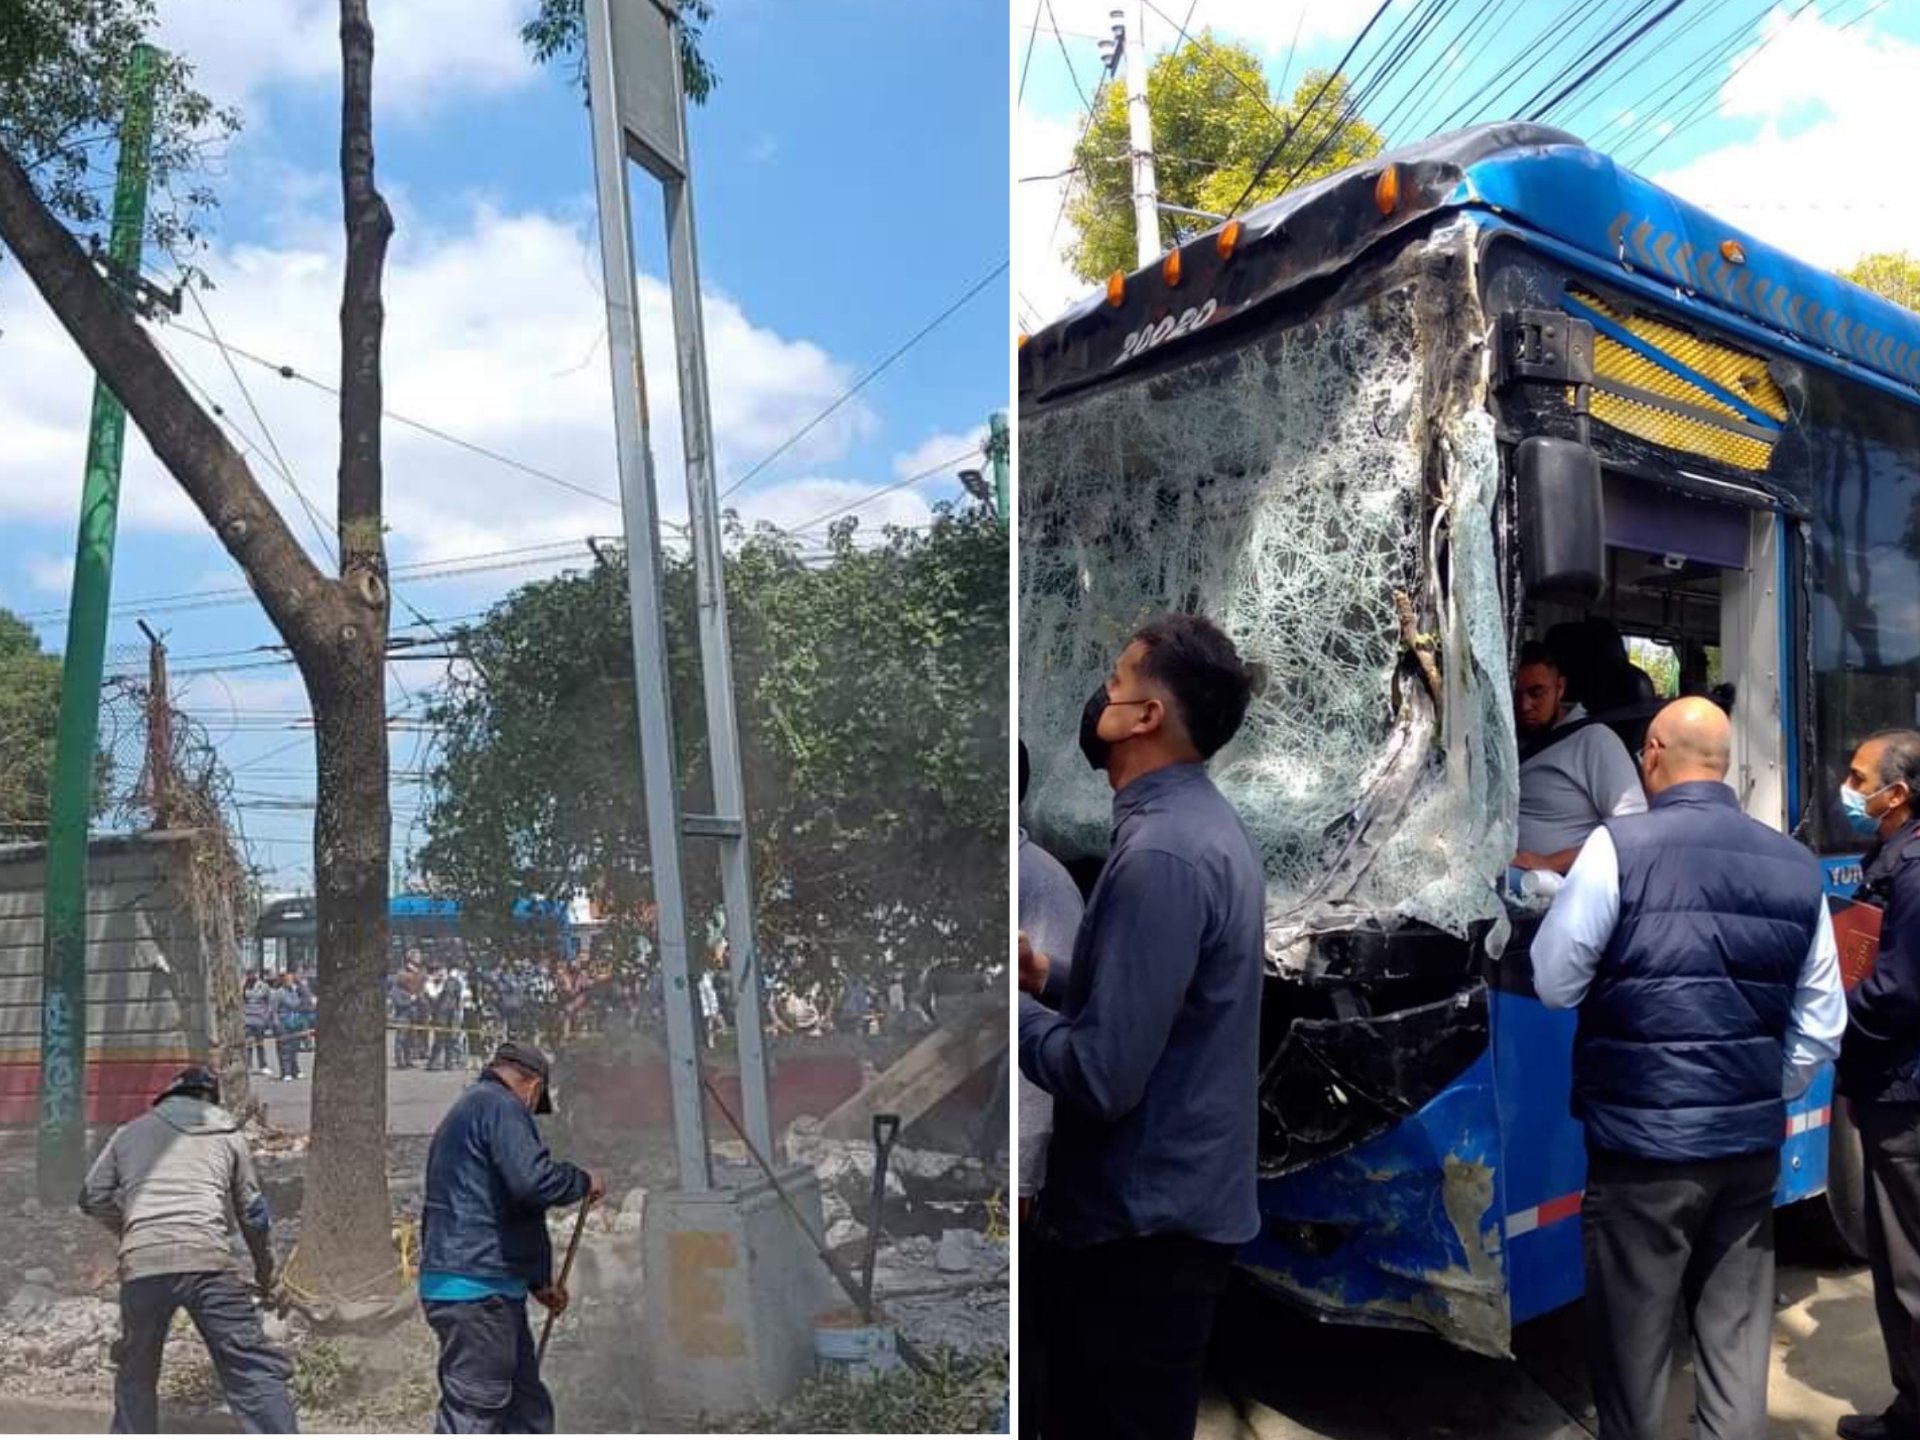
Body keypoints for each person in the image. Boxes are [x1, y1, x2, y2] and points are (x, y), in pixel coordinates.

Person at [1531, 697, 1844, 1440]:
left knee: (1633, 1349)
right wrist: (1759, 1092)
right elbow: (1821, 1021)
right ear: (1724, 765)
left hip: (1641, 1154)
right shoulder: (1797, 866)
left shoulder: (1617, 848)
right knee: (1735, 1344)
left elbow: (1554, 981)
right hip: (1747, 1148)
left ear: (1652, 751)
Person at [1019, 612, 1264, 1440]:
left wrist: (1005, 1011)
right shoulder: (1198, 829)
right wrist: (1048, 979)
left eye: (1117, 683)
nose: (1101, 698)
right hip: (1167, 1220)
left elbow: (1102, 1073)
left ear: (1146, 718)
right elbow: (1163, 996)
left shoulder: (1162, 853)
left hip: (1141, 1232)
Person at [79, 1065, 297, 1433]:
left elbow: (91, 1197)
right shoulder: (227, 1131)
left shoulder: (129, 1132)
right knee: (251, 1368)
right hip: (208, 1264)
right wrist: (268, 1275)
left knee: (136, 1371)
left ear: (168, 1096)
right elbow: (254, 1213)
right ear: (210, 1098)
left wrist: (131, 1231)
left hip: (142, 1268)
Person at [419, 1041, 605, 1433]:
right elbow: (532, 1183)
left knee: (526, 1409)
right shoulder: (502, 1107)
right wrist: (581, 1180)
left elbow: (504, 1206)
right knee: (475, 1410)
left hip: (482, 1285)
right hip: (477, 1290)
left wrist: (538, 1283)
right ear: (533, 1086)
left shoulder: (470, 1108)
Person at [1835, 730, 1920, 1440]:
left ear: (1897, 794)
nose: (1847, 786)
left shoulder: (1915, 869)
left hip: (1903, 1091)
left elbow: (1897, 991)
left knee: (1906, 1261)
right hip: (1895, 1083)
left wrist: (1833, 1013)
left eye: (1859, 777)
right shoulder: (1897, 855)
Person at [1015, 739, 1085, 1440]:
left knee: (1031, 1323)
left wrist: (1026, 1167)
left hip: (1031, 1163)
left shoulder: (1043, 886)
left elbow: (1049, 1029)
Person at [1514, 640, 1648, 874]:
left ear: (1560, 688)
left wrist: (1549, 864)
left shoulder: (1594, 741)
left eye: (1537, 693)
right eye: (1516, 694)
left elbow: (1634, 833)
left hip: (1559, 890)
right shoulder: (1504, 743)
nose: (1525, 706)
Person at [271, 972, 304, 1081]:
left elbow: (300, 1004)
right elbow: (274, 1010)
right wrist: (276, 1024)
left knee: (294, 1048)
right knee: (284, 1048)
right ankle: (286, 1072)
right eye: (288, 980)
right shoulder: (278, 993)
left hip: (295, 1023)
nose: (291, 982)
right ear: (283, 981)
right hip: (283, 1023)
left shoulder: (295, 992)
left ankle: (295, 1071)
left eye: (292, 980)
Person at [243, 973, 273, 1075]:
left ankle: (263, 1066)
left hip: (260, 1019)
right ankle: (248, 1066)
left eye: (252, 973)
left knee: (260, 1044)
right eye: (248, 973)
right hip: (247, 1019)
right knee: (248, 1045)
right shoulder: (243, 985)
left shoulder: (264, 986)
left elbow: (269, 1003)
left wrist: (266, 1018)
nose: (250, 976)